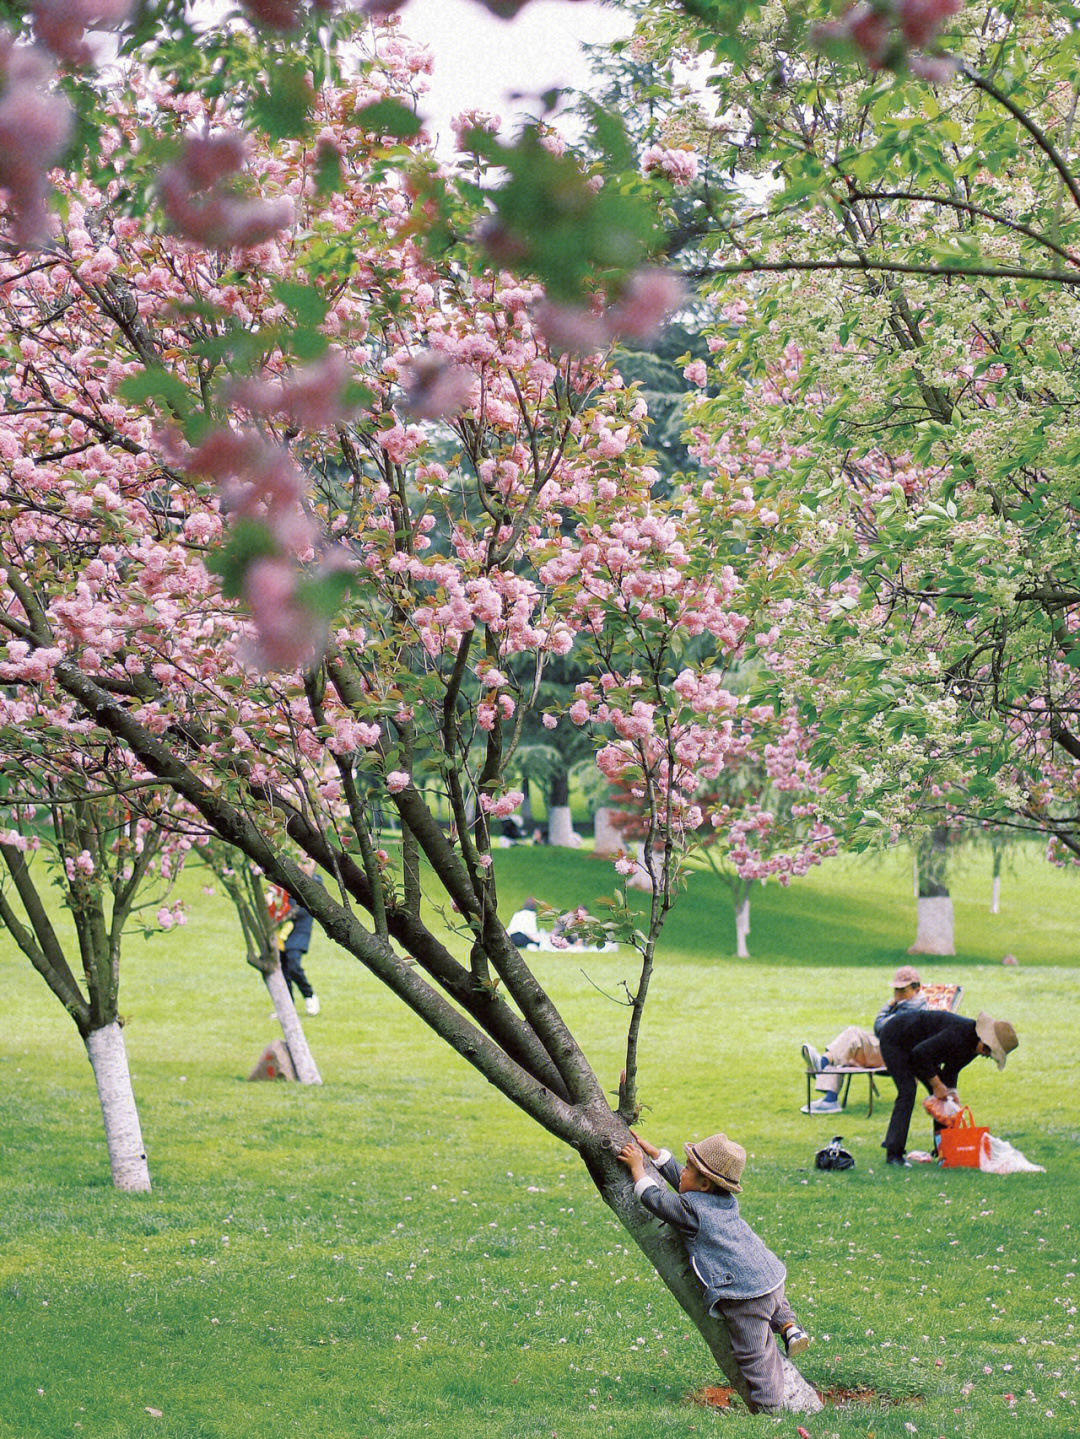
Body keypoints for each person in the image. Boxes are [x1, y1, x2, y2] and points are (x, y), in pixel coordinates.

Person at [618, 1130, 811, 1413]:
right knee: (776, 1304)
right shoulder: (722, 1200)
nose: (681, 1171)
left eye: (687, 1167)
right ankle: (790, 1328)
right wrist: (655, 1154)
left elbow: (658, 1200)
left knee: (756, 1354)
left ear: (705, 1183)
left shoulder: (691, 1210)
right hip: (769, 1276)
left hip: (745, 1296)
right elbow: (686, 1188)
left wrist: (638, 1168)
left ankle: (769, 1407)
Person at [878, 1009, 1018, 1166]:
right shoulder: (958, 1034)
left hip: (920, 1050)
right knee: (907, 1091)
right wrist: (937, 1085)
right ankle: (894, 1153)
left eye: (990, 1054)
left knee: (943, 1100)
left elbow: (951, 1070)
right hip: (897, 1038)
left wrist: (950, 1092)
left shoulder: (973, 1048)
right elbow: (920, 1055)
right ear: (982, 1039)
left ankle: (943, 1148)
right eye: (987, 1050)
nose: (986, 1055)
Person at [800, 965, 927, 1115]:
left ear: (917, 989)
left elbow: (880, 1026)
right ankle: (830, 1097)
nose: (898, 995)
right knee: (846, 1048)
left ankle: (821, 1066)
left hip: (896, 1055)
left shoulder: (914, 1009)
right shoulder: (907, 1004)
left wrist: (889, 1005)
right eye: (896, 990)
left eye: (902, 990)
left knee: (853, 1036)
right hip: (886, 1048)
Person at [278, 857, 321, 1016]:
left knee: (293, 964)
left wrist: (287, 914)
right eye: (300, 862)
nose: (303, 867)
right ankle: (287, 1009)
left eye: (307, 863)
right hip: (282, 929)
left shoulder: (315, 884)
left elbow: (308, 908)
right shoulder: (287, 881)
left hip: (300, 930)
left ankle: (309, 994)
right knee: (282, 969)